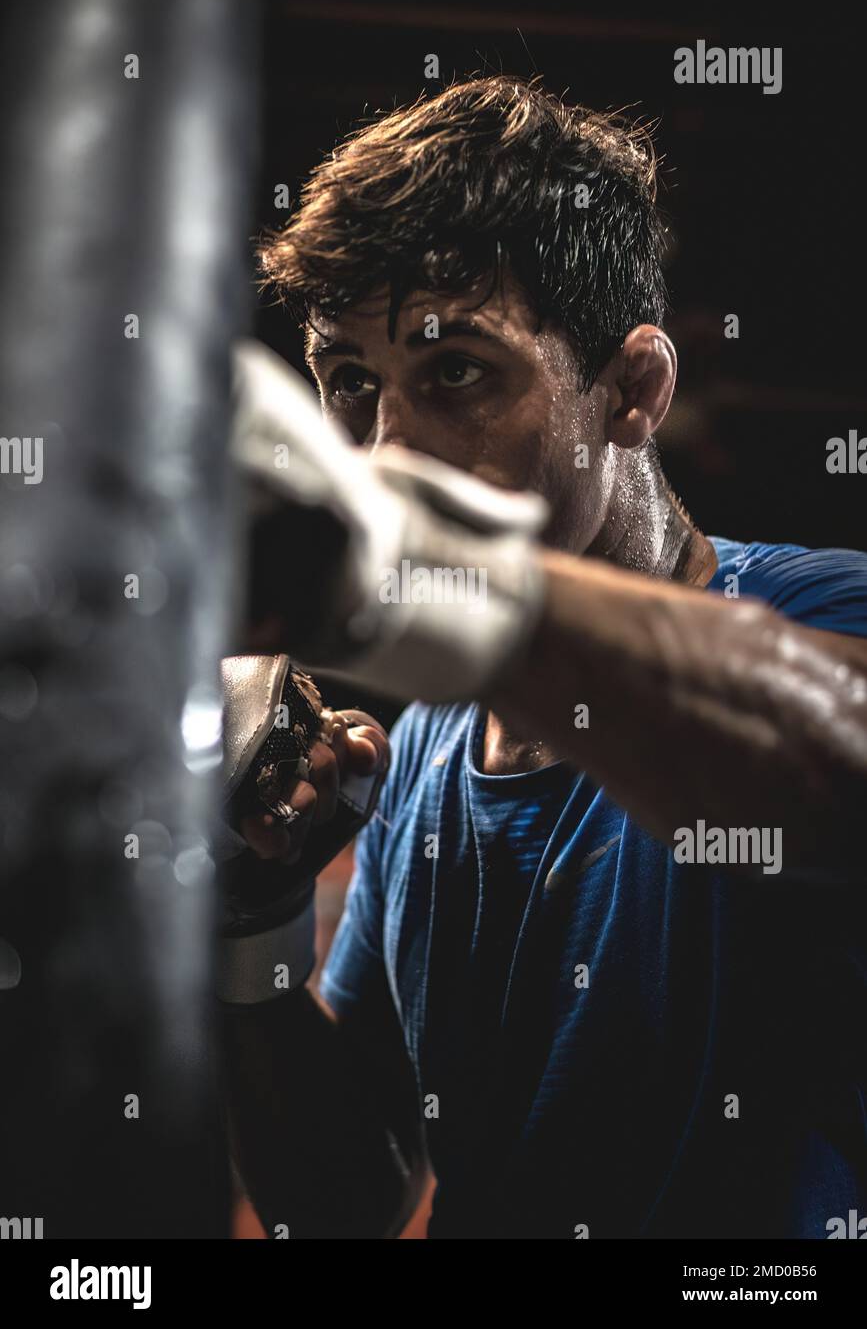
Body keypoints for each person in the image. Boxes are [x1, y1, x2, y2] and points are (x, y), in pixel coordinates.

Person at [218, 76, 867, 1239]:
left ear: (633, 389)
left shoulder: (825, 612)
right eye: (352, 385)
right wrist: (253, 917)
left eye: (455, 371)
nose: (384, 452)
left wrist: (439, 582)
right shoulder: (423, 752)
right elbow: (352, 1204)